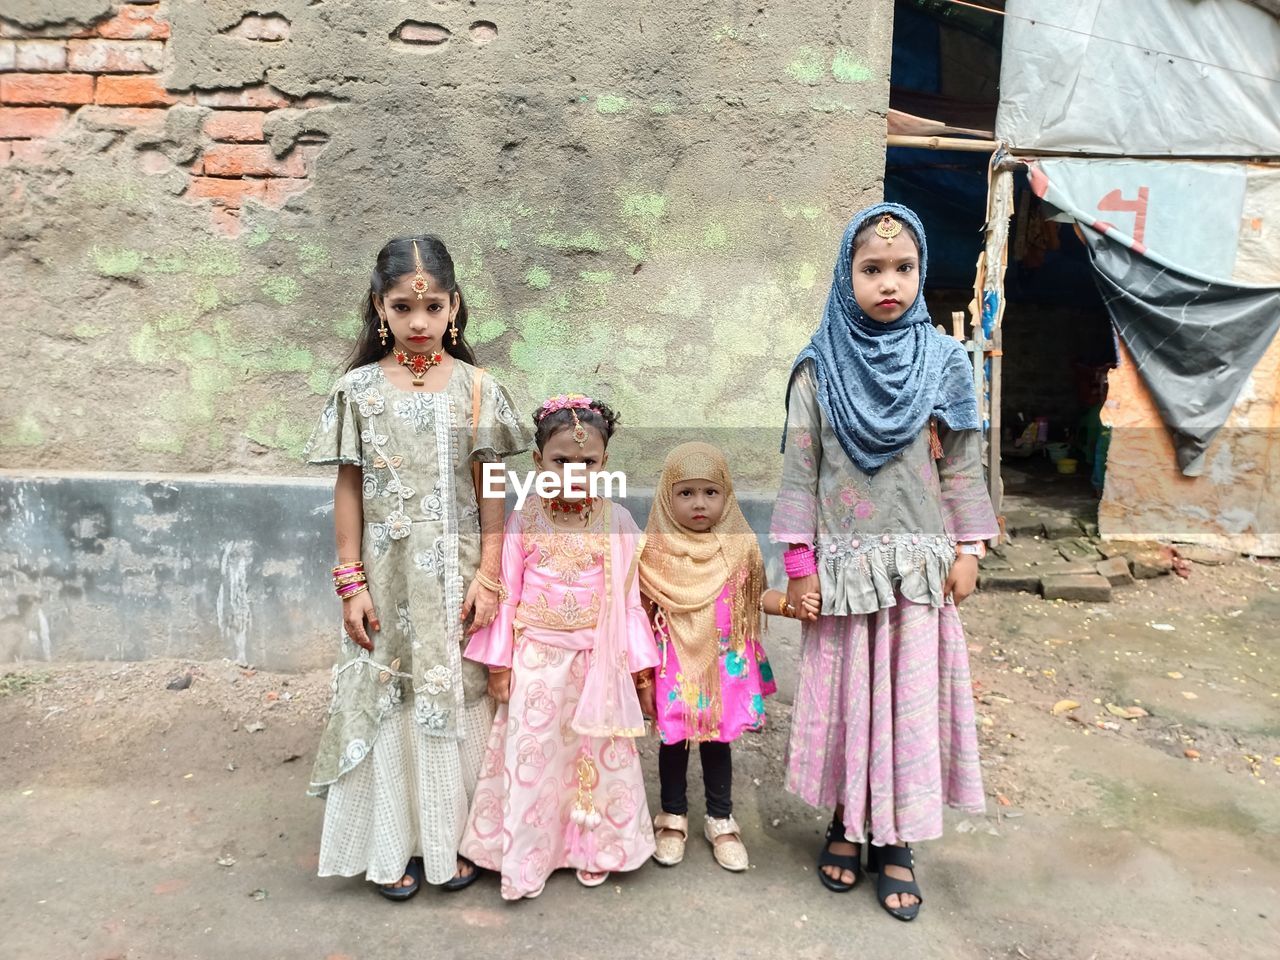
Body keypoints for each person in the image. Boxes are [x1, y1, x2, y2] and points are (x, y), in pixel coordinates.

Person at [772, 203, 999, 921]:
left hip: (917, 572)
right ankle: (845, 821)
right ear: (847, 277)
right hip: (843, 568)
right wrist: (801, 563)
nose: (889, 283)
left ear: (923, 274)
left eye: (904, 268)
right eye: (872, 269)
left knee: (905, 703)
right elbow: (799, 474)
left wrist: (970, 547)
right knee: (848, 702)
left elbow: (964, 466)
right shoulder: (818, 367)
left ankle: (895, 839)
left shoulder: (945, 363)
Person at [304, 234, 530, 900]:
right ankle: (390, 844)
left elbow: (492, 483)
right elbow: (348, 488)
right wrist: (350, 581)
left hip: (459, 571)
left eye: (433, 308)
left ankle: (459, 839)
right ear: (380, 307)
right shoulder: (358, 391)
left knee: (459, 689)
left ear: (455, 307)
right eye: (404, 307)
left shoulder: (480, 389)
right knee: (388, 690)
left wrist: (491, 573)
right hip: (387, 574)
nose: (420, 322)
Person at [459, 394, 659, 899]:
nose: (575, 471)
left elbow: (630, 601)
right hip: (536, 666)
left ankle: (593, 848)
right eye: (561, 461)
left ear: (605, 463)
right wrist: (500, 666)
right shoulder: (523, 520)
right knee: (537, 758)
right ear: (537, 463)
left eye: (587, 463)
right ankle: (526, 856)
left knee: (592, 758)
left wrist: (639, 673)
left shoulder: (617, 523)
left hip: (598, 665)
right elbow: (506, 594)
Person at [639, 441, 816, 872]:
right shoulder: (654, 551)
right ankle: (672, 818)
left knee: (718, 743)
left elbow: (758, 597)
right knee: (674, 742)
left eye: (710, 492)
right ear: (667, 496)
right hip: (675, 666)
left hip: (723, 668)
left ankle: (720, 819)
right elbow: (639, 616)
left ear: (727, 495)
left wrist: (791, 606)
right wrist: (640, 675)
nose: (699, 503)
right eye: (686, 493)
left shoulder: (738, 546)